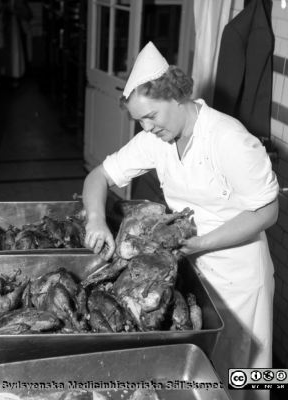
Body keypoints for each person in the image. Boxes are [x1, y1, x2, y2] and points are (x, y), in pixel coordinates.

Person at [82, 42, 279, 400]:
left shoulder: (227, 138)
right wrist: (96, 219)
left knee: (246, 374)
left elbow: (267, 211)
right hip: (192, 269)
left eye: (151, 115)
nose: (146, 126)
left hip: (239, 277)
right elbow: (98, 176)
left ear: (176, 97)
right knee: (201, 374)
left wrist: (201, 243)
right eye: (139, 119)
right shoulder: (156, 140)